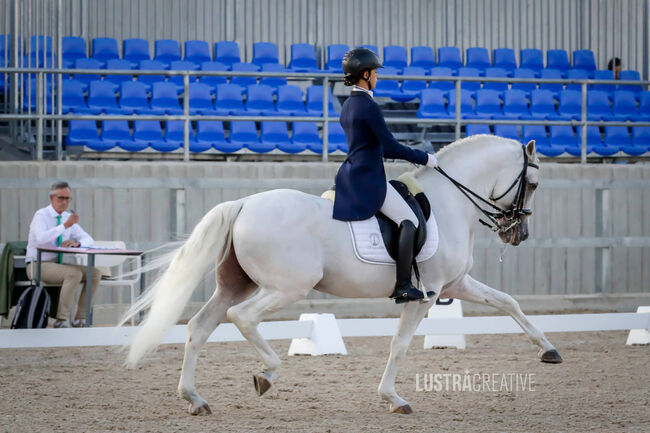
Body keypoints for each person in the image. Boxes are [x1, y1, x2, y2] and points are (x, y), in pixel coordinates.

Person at [333, 47, 438, 303]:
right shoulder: (367, 105)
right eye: (376, 73)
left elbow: (369, 143)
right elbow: (389, 146)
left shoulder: (349, 104)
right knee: (408, 221)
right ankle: (403, 285)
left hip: (349, 173)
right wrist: (424, 158)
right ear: (366, 74)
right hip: (368, 179)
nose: (378, 77)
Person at [25, 181, 101, 328]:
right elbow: (41, 238)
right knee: (73, 274)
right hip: (37, 265)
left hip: (58, 265)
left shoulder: (67, 217)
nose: (64, 202)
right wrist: (64, 226)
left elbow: (88, 239)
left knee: (95, 273)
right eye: (61, 198)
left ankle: (81, 318)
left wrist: (77, 243)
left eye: (68, 199)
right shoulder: (41, 215)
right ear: (52, 198)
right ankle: (62, 319)